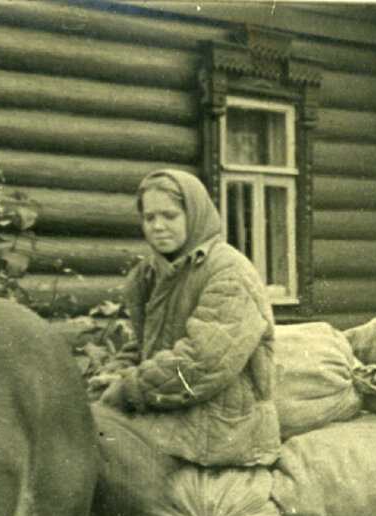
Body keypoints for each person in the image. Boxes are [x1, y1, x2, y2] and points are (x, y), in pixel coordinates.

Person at [90, 169, 281, 468]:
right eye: (149, 218)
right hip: (173, 415)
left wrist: (128, 388)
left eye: (169, 215)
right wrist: (113, 373)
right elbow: (144, 345)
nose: (158, 227)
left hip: (221, 430)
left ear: (194, 215)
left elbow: (203, 363)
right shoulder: (150, 274)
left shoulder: (229, 272)